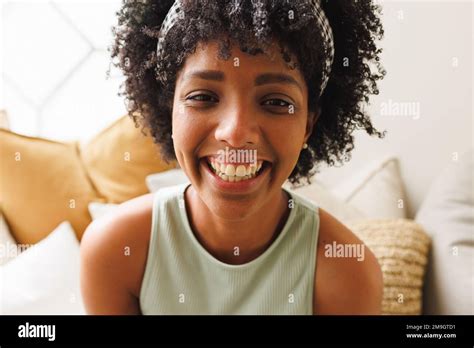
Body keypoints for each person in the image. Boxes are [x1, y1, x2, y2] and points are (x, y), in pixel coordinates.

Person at [80, 0, 386, 315]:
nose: (236, 132)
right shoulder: (116, 251)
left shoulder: (348, 272)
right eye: (203, 97)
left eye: (276, 102)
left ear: (308, 124)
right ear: (169, 109)